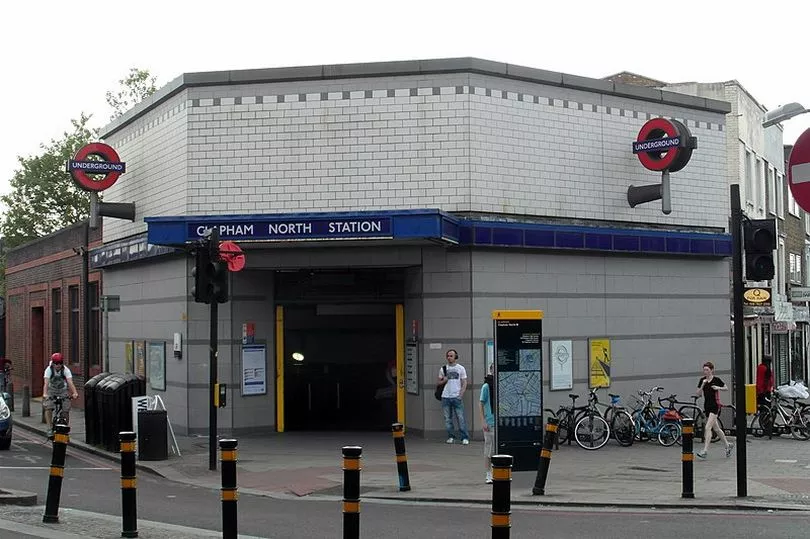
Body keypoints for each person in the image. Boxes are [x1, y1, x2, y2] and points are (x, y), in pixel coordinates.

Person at [695, 361, 733, 459]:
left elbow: (726, 388)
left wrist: (718, 388)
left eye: (707, 370)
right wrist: (703, 385)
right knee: (716, 428)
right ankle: (727, 445)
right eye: (704, 370)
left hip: (715, 406)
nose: (705, 372)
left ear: (712, 370)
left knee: (708, 427)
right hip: (707, 406)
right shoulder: (702, 380)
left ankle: (705, 451)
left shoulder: (716, 379)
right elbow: (698, 393)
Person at [42, 353, 78, 438]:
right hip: (51, 390)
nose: (58, 365)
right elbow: (46, 383)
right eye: (56, 363)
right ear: (53, 363)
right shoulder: (49, 369)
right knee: (48, 407)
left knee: (66, 409)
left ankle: (65, 429)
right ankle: (49, 428)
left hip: (63, 390)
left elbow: (70, 382)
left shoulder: (65, 370)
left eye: (60, 363)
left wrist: (75, 392)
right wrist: (45, 394)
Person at [438, 349, 469, 445]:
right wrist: (444, 380)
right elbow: (438, 382)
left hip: (456, 396)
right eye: (448, 356)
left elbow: (464, 382)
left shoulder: (461, 368)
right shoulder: (443, 368)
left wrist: (460, 395)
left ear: (456, 357)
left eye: (451, 356)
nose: (449, 357)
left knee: (461, 418)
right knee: (448, 419)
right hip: (445, 396)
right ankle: (451, 436)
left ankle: (464, 437)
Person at [480, 363, 495, 483]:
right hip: (490, 421)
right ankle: (488, 473)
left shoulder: (501, 384)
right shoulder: (486, 386)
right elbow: (481, 403)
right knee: (489, 448)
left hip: (501, 422)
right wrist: (483, 421)